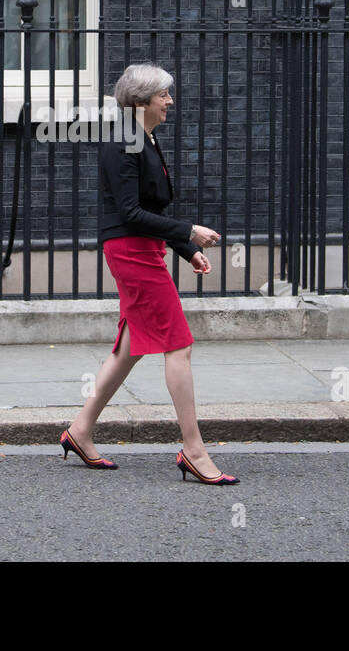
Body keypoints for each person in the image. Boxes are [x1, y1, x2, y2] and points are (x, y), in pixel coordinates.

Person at [58, 63, 238, 484]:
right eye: (163, 95)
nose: (170, 102)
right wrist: (189, 230)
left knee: (131, 347)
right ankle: (193, 450)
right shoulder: (122, 142)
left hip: (140, 247)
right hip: (132, 252)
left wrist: (185, 249)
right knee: (178, 344)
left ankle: (80, 431)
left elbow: (150, 211)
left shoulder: (143, 138)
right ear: (140, 101)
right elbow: (130, 213)